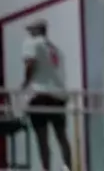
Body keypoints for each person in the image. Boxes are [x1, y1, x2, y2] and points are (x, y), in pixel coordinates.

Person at [19, 17, 73, 171]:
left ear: (36, 31)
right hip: (59, 96)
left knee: (42, 138)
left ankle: (46, 168)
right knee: (61, 135)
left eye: (30, 30)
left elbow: (30, 64)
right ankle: (67, 167)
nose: (28, 33)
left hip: (40, 95)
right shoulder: (56, 50)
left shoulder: (32, 43)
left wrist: (25, 83)